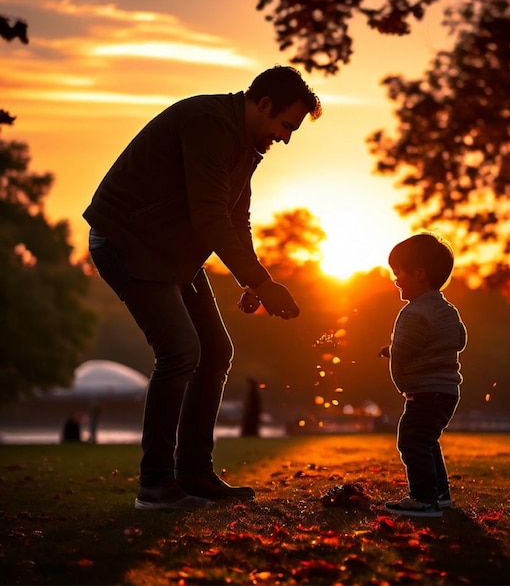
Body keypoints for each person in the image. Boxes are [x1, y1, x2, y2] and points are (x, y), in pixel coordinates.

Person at [84, 66, 322, 510]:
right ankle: (155, 484)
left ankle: (195, 475)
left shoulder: (247, 144)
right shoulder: (209, 122)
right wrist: (262, 283)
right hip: (128, 242)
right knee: (179, 352)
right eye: (285, 125)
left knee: (215, 352)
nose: (286, 137)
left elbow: (235, 217)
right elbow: (209, 216)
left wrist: (250, 279)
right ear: (264, 103)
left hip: (173, 254)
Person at [378, 232, 467, 517]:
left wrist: (396, 351)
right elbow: (452, 339)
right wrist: (393, 349)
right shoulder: (445, 309)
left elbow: (408, 346)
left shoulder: (414, 312)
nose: (396, 279)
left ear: (418, 273)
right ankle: (440, 496)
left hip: (425, 393)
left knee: (412, 441)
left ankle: (423, 499)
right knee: (427, 441)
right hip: (446, 392)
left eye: (399, 272)